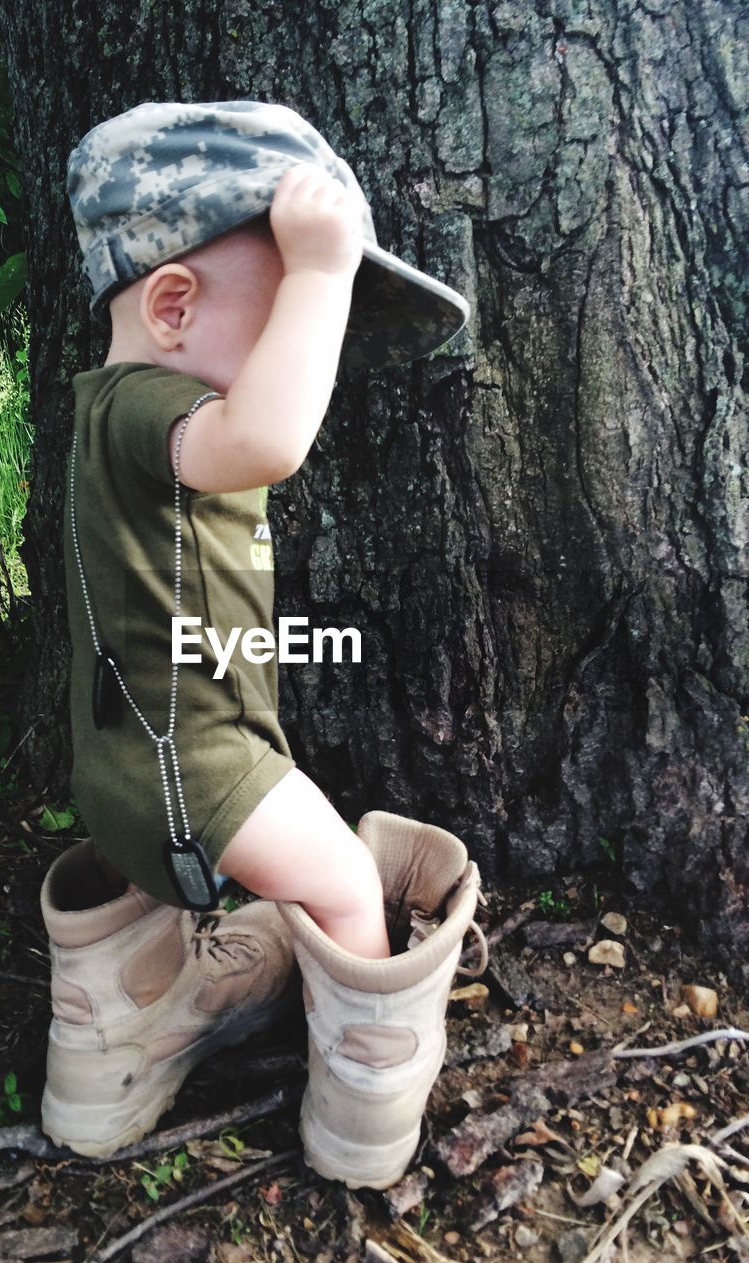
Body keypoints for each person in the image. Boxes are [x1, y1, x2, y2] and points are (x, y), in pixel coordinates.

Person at [41, 101, 485, 1189]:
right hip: (201, 760)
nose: (310, 343)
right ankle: (366, 1099)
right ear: (175, 305)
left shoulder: (109, 414)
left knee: (247, 866)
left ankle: (108, 1036)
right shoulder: (154, 408)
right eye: (287, 306)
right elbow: (274, 439)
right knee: (339, 880)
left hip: (123, 764)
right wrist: (326, 269)